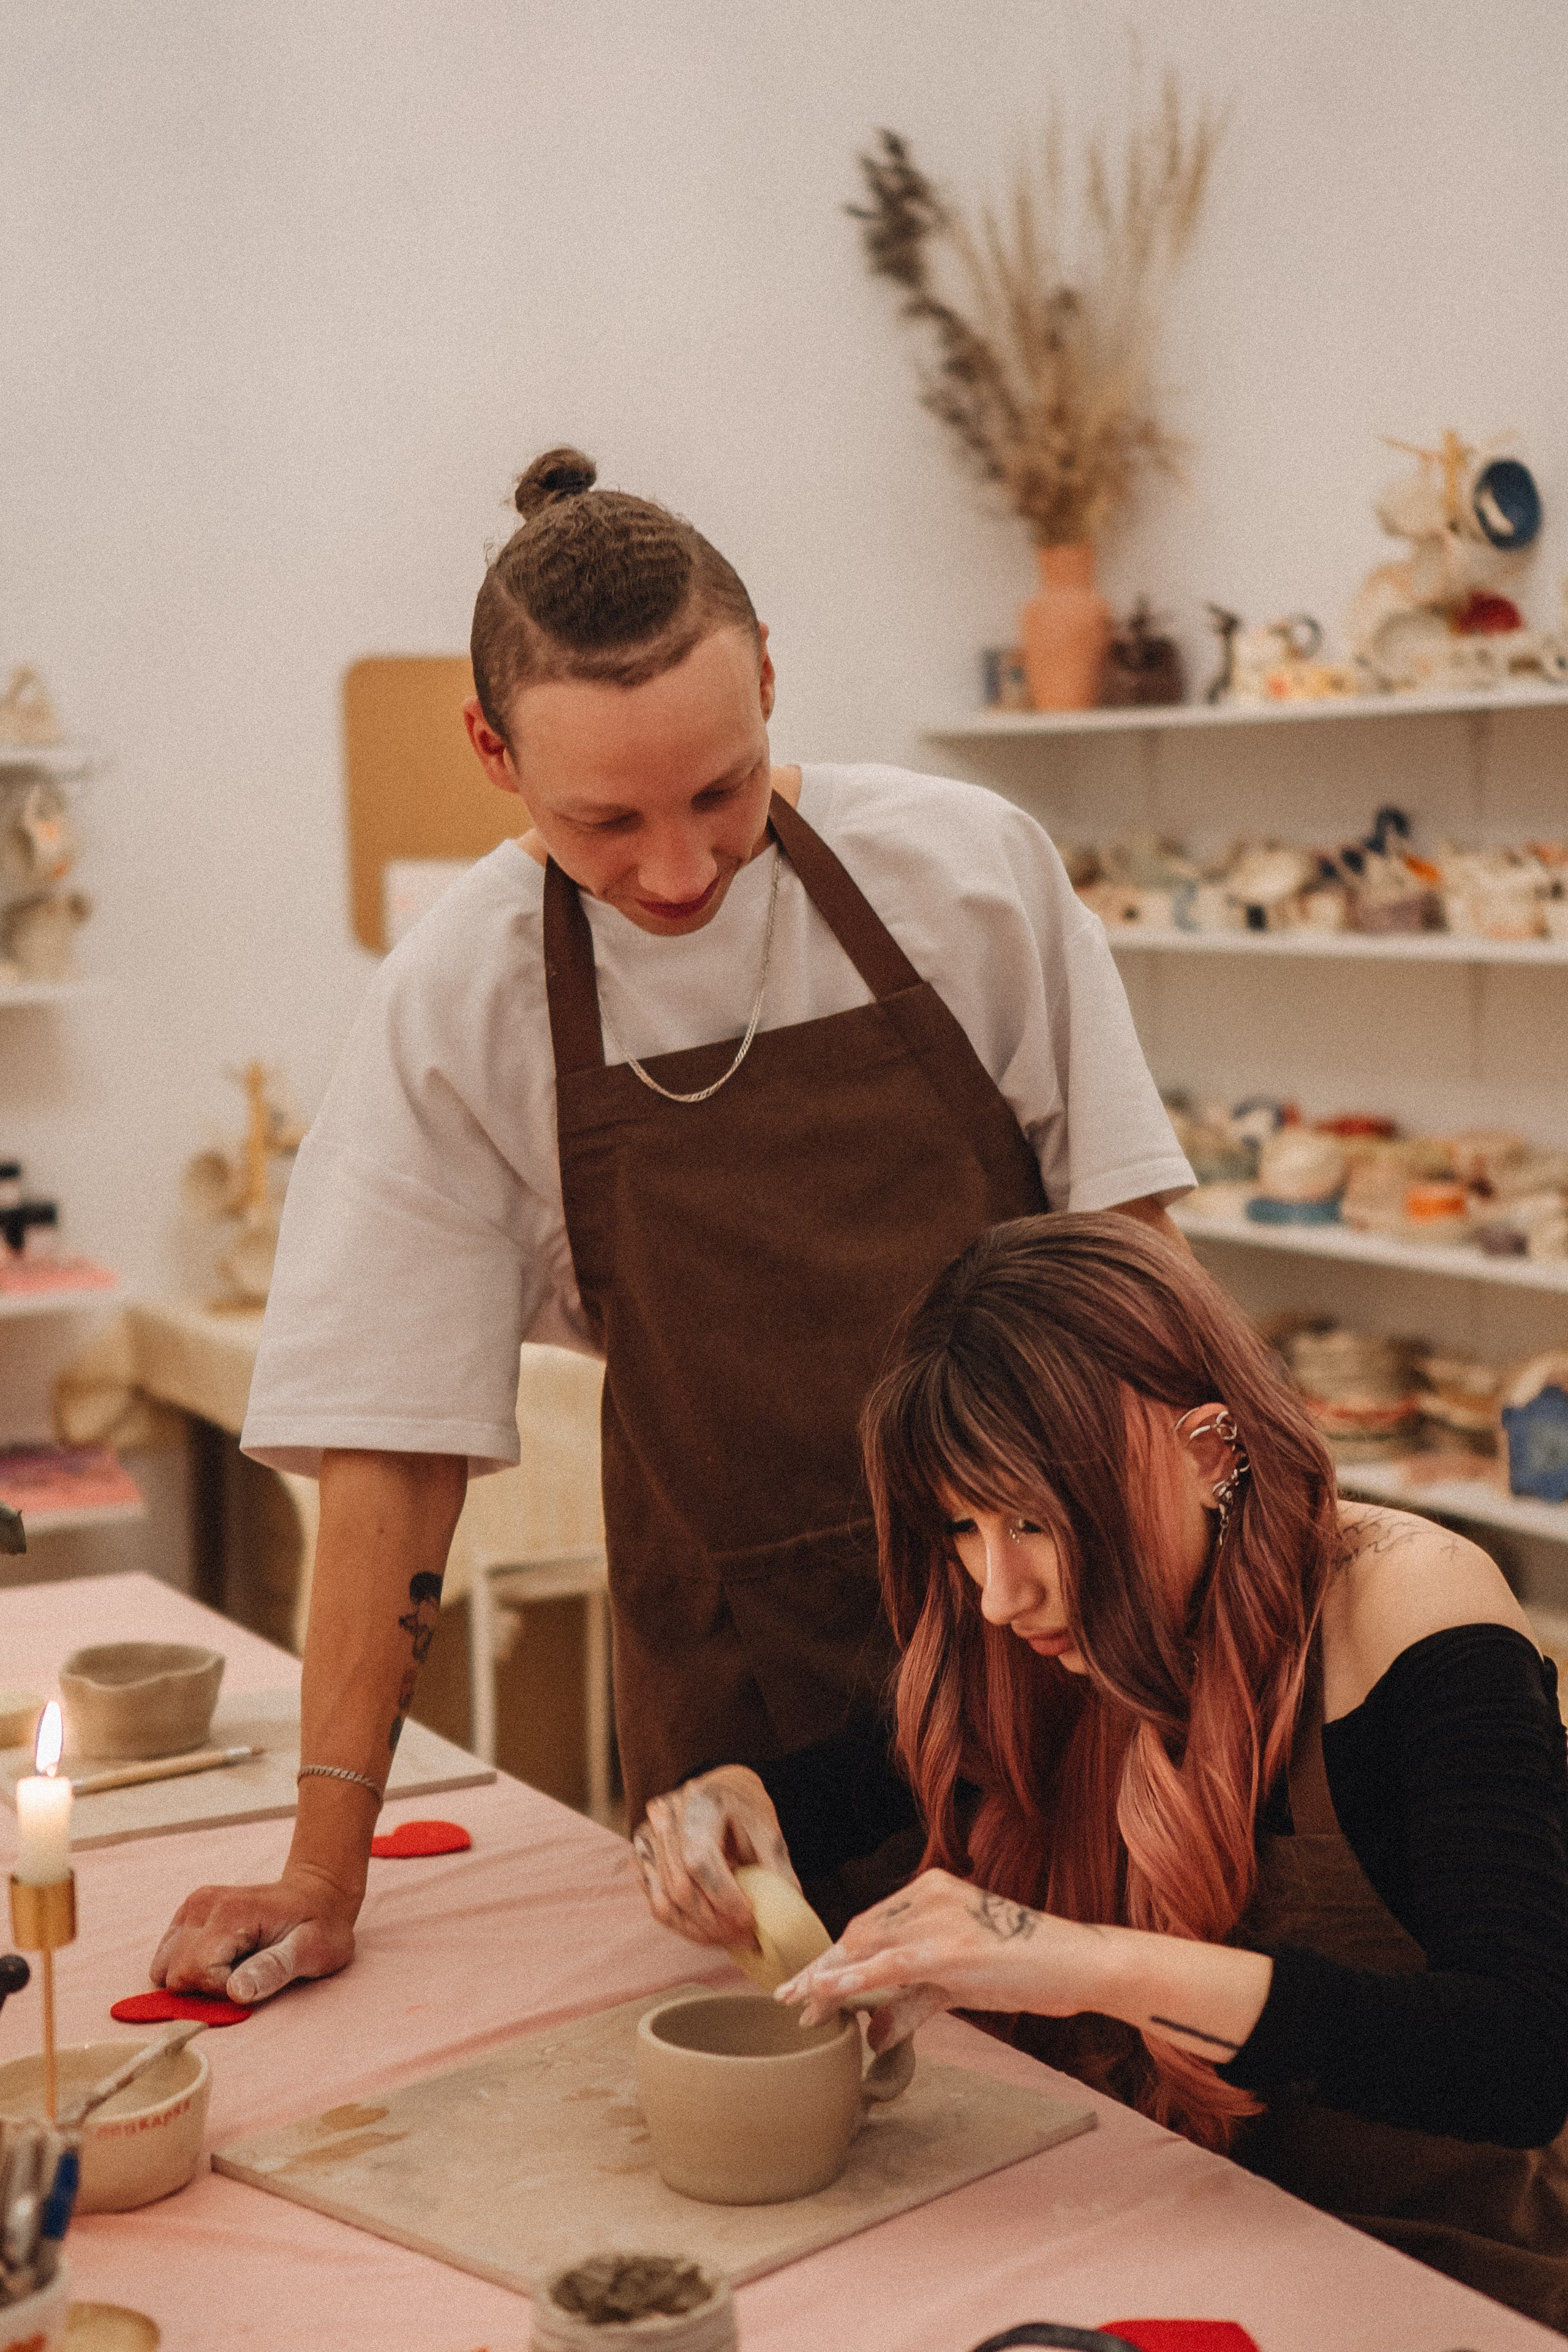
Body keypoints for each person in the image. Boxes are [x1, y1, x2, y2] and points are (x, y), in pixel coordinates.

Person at [150, 450, 1193, 2006]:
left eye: (721, 789)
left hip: (1062, 1625)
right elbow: (395, 1449)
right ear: (489, 752)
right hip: (747, 1693)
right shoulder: (463, 1002)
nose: (679, 868)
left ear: (770, 682)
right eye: (604, 822)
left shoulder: (966, 875)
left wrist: (1219, 1618)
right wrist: (322, 1863)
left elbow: (1139, 1280)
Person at [773, 1212, 1568, 2328]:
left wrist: (1084, 1963)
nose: (998, 1594)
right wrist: (734, 1807)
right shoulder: (1054, 1626)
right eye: (963, 1527)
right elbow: (861, 1781)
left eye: (1034, 1523)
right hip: (1169, 2223)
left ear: (1207, 1454)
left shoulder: (1405, 1609)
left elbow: (1517, 2057)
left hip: (1431, 2277)